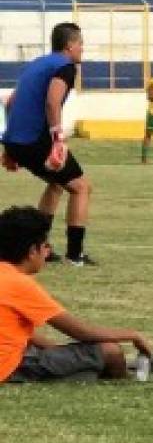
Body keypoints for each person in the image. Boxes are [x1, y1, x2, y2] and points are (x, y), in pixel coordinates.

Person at [0, 206, 153, 383]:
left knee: (79, 359)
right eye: (46, 246)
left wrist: (57, 350)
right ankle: (128, 376)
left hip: (19, 354)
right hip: (11, 367)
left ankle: (118, 367)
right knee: (109, 350)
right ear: (32, 251)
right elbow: (82, 332)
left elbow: (17, 332)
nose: (48, 252)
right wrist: (132, 334)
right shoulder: (19, 284)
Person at [1, 21, 95, 266]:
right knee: (81, 187)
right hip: (36, 140)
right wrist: (58, 138)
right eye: (81, 43)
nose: (83, 48)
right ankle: (75, 255)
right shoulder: (65, 66)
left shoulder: (38, 63)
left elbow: (10, 102)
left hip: (18, 141)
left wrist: (9, 146)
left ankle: (38, 247)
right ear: (70, 44)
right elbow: (53, 102)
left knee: (56, 183)